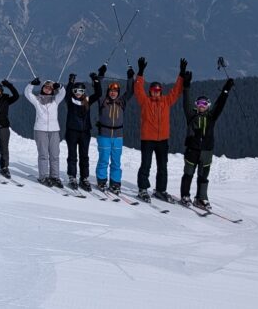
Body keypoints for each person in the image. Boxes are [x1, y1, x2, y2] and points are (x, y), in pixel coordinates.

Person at [134, 57, 186, 203]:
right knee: (146, 164)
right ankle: (143, 189)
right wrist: (140, 73)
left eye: (158, 90)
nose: (155, 92)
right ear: (150, 92)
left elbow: (176, 91)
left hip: (163, 140)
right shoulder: (145, 102)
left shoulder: (166, 101)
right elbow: (138, 90)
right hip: (148, 139)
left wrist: (181, 75)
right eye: (153, 90)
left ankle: (160, 190)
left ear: (161, 91)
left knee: (163, 166)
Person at [180, 76, 235, 209]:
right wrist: (186, 87)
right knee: (188, 174)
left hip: (206, 151)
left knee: (203, 177)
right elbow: (185, 103)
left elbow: (220, 104)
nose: (201, 106)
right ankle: (185, 196)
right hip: (192, 150)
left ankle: (201, 198)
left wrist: (226, 89)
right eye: (199, 103)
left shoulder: (212, 117)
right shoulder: (191, 116)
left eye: (204, 104)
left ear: (208, 106)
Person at [95, 63, 136, 195]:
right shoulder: (102, 101)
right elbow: (98, 89)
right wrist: (100, 75)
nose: (113, 93)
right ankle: (101, 181)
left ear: (118, 93)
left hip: (118, 136)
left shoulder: (121, 102)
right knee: (104, 159)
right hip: (104, 135)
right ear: (108, 92)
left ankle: (115, 183)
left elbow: (130, 92)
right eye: (111, 91)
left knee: (116, 161)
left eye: (116, 91)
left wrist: (130, 78)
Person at [65, 69, 102, 191]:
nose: (78, 93)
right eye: (75, 91)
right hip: (72, 131)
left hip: (85, 132)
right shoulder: (70, 100)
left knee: (84, 156)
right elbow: (66, 94)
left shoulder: (87, 101)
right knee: (72, 155)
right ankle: (72, 176)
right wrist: (70, 82)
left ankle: (84, 178)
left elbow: (98, 94)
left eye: (81, 91)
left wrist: (95, 81)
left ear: (84, 92)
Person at [24, 77, 66, 187]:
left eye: (50, 88)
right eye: (46, 87)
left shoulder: (55, 100)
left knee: (55, 155)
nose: (48, 89)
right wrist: (31, 84)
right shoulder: (37, 100)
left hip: (54, 130)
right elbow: (27, 93)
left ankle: (55, 177)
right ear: (42, 88)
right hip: (40, 130)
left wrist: (60, 87)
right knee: (43, 155)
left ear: (53, 90)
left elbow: (63, 93)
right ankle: (43, 176)